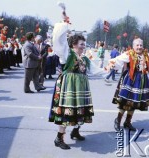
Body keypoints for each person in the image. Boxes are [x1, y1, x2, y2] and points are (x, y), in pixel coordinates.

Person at [49, 20, 107, 149]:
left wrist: (107, 70)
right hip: (68, 87)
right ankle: (59, 138)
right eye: (81, 44)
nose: (83, 46)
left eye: (84, 44)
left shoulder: (85, 58)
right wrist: (64, 25)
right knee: (66, 112)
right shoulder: (67, 54)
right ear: (74, 45)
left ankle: (75, 131)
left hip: (81, 88)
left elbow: (95, 70)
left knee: (80, 110)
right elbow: (59, 40)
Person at [110, 38, 149, 131]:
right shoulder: (129, 54)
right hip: (130, 79)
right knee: (125, 101)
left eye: (141, 45)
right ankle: (118, 120)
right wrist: (112, 64)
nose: (139, 47)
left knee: (135, 102)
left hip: (142, 81)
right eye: (137, 45)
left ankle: (127, 122)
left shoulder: (146, 56)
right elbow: (118, 60)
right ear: (133, 46)